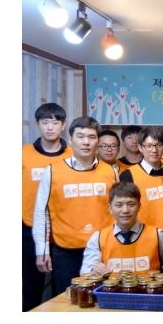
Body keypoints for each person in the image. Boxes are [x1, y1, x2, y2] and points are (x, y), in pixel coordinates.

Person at [32, 116, 118, 296]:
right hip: (66, 252)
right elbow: (42, 212)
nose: (86, 142)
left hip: (103, 250)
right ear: (71, 140)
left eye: (91, 137)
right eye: (80, 136)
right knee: (67, 300)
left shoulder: (110, 171)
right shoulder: (52, 171)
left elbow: (118, 211)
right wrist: (42, 249)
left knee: (103, 299)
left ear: (97, 141)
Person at [22, 102, 72, 311]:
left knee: (64, 289)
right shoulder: (23, 154)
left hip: (63, 231)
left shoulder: (72, 155)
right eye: (45, 122)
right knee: (30, 288)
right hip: (29, 229)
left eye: (55, 122)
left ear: (63, 125)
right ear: (37, 125)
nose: (50, 127)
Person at [80, 182, 163, 276]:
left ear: (139, 206)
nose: (125, 210)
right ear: (110, 208)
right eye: (119, 205)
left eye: (131, 204)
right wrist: (93, 271)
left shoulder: (158, 236)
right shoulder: (98, 239)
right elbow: (85, 272)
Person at [119, 127, 163, 244]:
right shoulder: (128, 175)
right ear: (140, 147)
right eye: (149, 146)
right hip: (143, 238)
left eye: (158, 145)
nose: (154, 150)